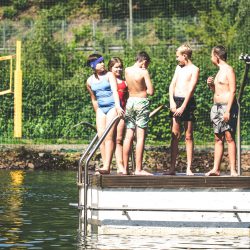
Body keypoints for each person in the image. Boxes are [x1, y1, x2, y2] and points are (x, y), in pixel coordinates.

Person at [86, 54, 124, 174]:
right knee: (101, 137)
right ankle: (105, 164)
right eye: (100, 62)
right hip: (101, 109)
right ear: (93, 66)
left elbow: (114, 91)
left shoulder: (109, 75)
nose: (103, 64)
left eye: (103, 62)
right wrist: (97, 111)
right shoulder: (89, 81)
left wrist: (118, 106)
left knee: (109, 136)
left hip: (113, 107)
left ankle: (107, 166)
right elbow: (94, 98)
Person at [166, 44, 199, 175]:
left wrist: (183, 106)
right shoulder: (178, 68)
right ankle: (172, 168)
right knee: (174, 135)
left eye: (178, 56)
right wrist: (172, 102)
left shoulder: (194, 69)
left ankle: (189, 167)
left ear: (184, 56)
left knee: (188, 135)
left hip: (187, 102)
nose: (177, 59)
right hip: (176, 100)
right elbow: (172, 85)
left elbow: (191, 89)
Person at [205, 45, 238, 176]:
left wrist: (228, 110)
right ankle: (216, 169)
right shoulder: (218, 71)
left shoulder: (229, 70)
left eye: (212, 55)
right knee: (217, 138)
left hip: (226, 107)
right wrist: (211, 86)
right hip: (216, 107)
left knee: (229, 137)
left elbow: (233, 91)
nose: (210, 58)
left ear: (217, 56)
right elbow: (218, 90)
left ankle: (233, 170)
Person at [122, 51, 154, 175]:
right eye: (147, 64)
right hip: (141, 102)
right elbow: (150, 91)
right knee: (140, 137)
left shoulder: (127, 70)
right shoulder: (144, 72)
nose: (146, 67)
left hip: (130, 102)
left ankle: (125, 169)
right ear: (144, 61)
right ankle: (138, 169)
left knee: (128, 135)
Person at [108, 57, 128, 174]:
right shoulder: (107, 80)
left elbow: (128, 98)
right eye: (116, 67)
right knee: (108, 139)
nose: (119, 69)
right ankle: (107, 165)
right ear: (110, 68)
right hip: (111, 112)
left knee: (119, 139)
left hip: (122, 113)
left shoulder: (125, 82)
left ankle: (120, 166)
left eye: (120, 67)